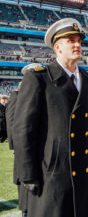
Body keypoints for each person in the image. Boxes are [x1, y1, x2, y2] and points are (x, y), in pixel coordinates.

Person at [13, 18, 88, 217]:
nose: (78, 45)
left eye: (79, 40)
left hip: (83, 173)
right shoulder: (38, 78)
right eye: (71, 40)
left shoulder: (87, 79)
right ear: (58, 47)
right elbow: (23, 130)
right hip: (51, 174)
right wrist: (28, 175)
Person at [6, 63, 43, 217]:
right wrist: (17, 147)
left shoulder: (45, 92)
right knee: (26, 186)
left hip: (42, 149)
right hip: (25, 149)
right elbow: (12, 121)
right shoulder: (16, 95)